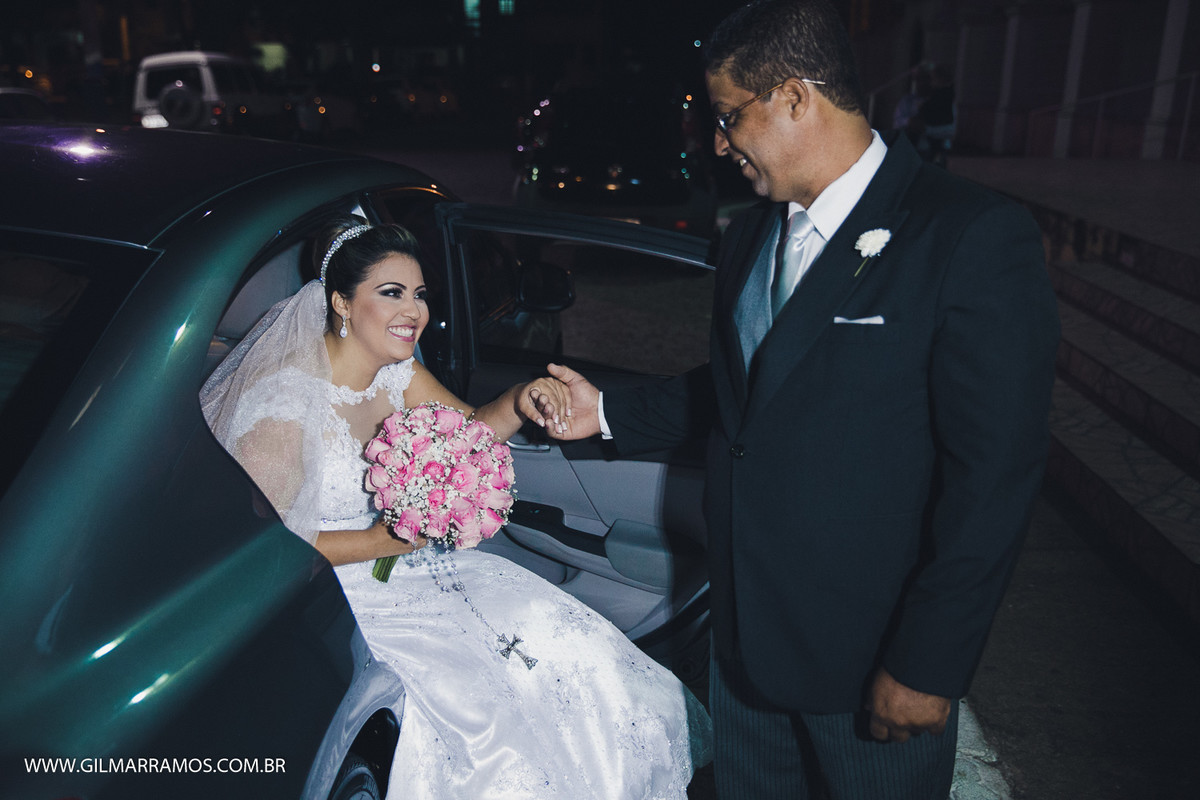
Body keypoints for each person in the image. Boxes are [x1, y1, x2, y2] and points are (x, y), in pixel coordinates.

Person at [542, 1, 1060, 798]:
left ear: (793, 96)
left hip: (870, 662)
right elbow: (748, 392)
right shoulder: (750, 234)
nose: (719, 142)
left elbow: (993, 477)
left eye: (727, 116)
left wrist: (929, 663)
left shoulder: (968, 235)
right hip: (744, 645)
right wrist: (605, 413)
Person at [200, 215, 710, 798]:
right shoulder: (282, 403)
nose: (414, 311)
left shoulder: (398, 372)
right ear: (341, 302)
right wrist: (381, 541)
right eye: (391, 293)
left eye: (419, 294)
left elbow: (468, 434)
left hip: (416, 568)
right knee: (490, 711)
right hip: (341, 597)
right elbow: (265, 552)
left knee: (565, 644)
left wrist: (519, 400)